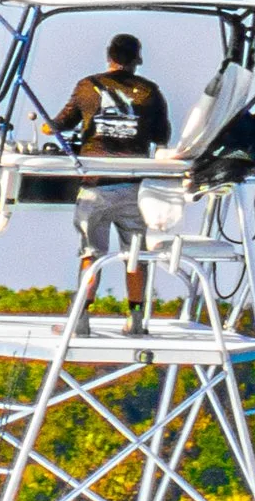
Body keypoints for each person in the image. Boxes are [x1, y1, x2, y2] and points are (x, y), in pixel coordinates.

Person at [51, 32, 171, 332]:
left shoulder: (87, 86)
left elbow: (59, 124)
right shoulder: (150, 92)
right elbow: (161, 137)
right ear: (137, 60)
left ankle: (80, 320)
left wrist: (45, 127)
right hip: (133, 187)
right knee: (136, 256)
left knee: (91, 255)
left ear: (109, 56)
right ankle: (136, 320)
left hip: (95, 187)